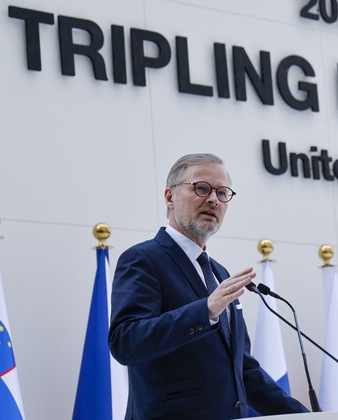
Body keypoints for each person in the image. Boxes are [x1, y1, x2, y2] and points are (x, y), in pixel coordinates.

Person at [108, 153, 309, 419]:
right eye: (201, 188)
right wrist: (205, 311)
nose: (214, 199)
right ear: (170, 197)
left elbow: (243, 371)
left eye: (222, 192)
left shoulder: (217, 272)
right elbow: (126, 342)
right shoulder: (143, 259)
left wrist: (306, 416)